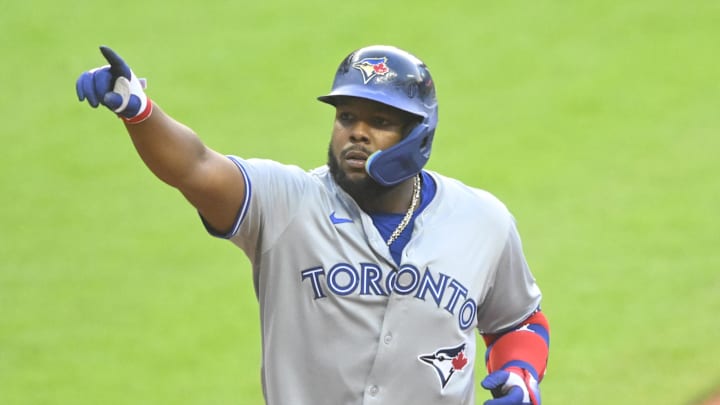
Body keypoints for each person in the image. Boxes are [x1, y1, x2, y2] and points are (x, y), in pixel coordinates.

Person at [76, 44, 550, 405]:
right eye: (346, 116)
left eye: (379, 120)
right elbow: (196, 166)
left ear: (419, 135)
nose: (356, 132)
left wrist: (521, 374)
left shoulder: (482, 221)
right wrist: (138, 110)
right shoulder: (285, 204)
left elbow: (520, 322)